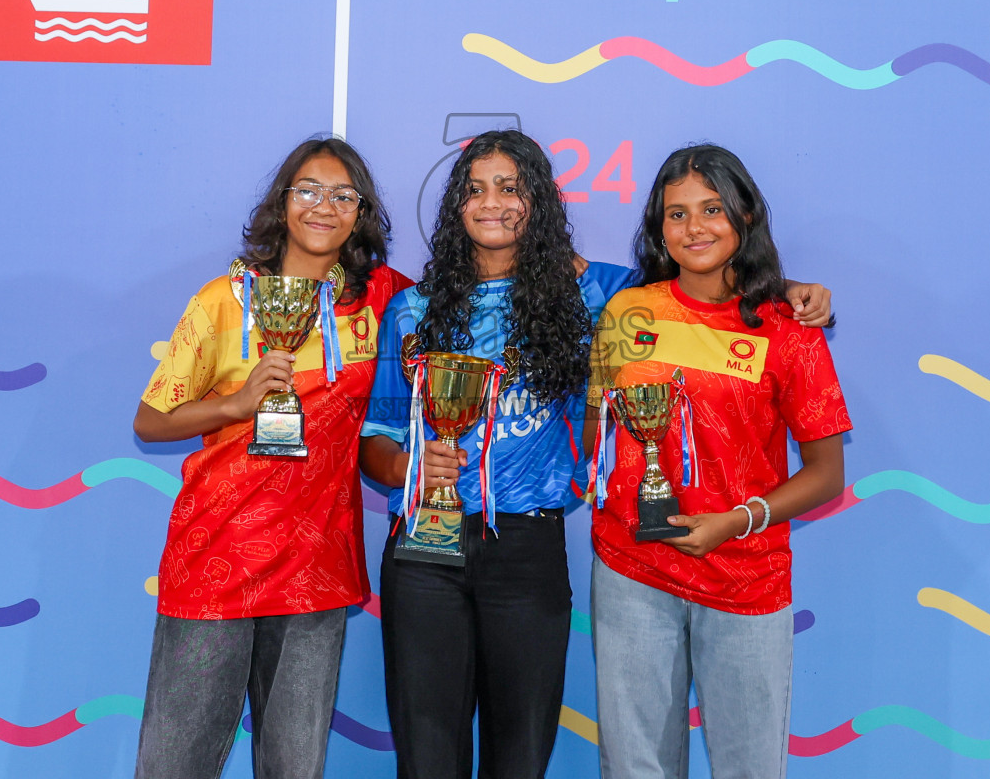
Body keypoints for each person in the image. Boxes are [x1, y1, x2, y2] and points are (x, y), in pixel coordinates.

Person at [359, 130, 833, 779]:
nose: (491, 202)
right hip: (422, 547)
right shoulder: (411, 309)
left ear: (541, 203)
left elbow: (704, 284)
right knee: (427, 755)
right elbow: (377, 436)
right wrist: (407, 468)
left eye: (510, 187)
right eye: (474, 190)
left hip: (526, 549)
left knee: (520, 755)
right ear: (454, 208)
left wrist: (792, 291)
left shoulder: (600, 298)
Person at [131, 137, 411, 779]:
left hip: (316, 567)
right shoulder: (222, 301)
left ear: (361, 213)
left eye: (344, 196)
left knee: (294, 768)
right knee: (175, 765)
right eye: (309, 190)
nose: (325, 207)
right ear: (282, 202)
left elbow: (461, 297)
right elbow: (150, 419)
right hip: (216, 560)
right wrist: (235, 406)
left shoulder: (382, 300)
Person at [588, 144, 852, 779]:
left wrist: (736, 521)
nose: (694, 228)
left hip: (744, 575)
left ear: (745, 215)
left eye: (711, 209)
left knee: (749, 767)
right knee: (633, 767)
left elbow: (826, 474)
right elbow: (593, 435)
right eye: (675, 215)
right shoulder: (628, 311)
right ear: (657, 228)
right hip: (633, 565)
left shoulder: (790, 328)